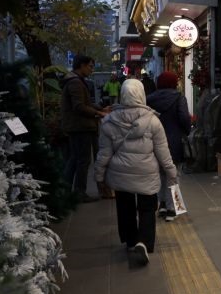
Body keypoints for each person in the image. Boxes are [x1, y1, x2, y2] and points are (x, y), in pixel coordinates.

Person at [93, 79, 177, 266]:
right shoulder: (153, 121)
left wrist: (99, 176)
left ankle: (130, 240)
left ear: (122, 94)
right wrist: (171, 172)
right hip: (146, 173)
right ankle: (144, 242)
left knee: (125, 207)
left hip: (120, 174)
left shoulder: (109, 121)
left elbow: (104, 153)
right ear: (141, 95)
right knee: (147, 207)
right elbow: (163, 152)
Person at [61, 55, 109, 203]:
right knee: (82, 160)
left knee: (75, 159)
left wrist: (101, 108)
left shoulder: (77, 81)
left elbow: (86, 102)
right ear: (81, 65)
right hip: (79, 127)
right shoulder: (75, 82)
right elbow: (79, 106)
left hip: (78, 126)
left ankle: (67, 191)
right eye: (90, 66)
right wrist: (98, 113)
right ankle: (79, 192)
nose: (91, 69)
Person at [147, 71, 192, 221]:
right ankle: (174, 209)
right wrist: (186, 131)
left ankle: (163, 206)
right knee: (174, 175)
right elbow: (185, 118)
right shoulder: (179, 97)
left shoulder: (149, 99)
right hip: (174, 142)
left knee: (159, 174)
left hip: (153, 143)